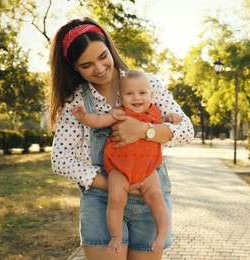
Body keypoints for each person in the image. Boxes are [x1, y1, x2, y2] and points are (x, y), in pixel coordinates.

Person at [48, 17, 194, 260]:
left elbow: (186, 131)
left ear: (109, 47)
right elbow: (60, 160)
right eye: (86, 65)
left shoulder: (146, 84)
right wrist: (114, 184)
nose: (99, 68)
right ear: (74, 68)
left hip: (150, 195)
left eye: (103, 56)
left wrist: (144, 130)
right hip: (102, 200)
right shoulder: (76, 103)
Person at [70, 69, 183, 254]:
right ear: (120, 97)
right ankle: (116, 236)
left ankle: (161, 233)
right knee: (115, 199)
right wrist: (85, 117)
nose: (136, 98)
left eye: (142, 93)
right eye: (129, 94)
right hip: (119, 170)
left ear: (151, 95)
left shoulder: (155, 113)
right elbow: (98, 120)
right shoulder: (118, 113)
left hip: (147, 170)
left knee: (156, 197)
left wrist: (171, 118)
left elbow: (167, 126)